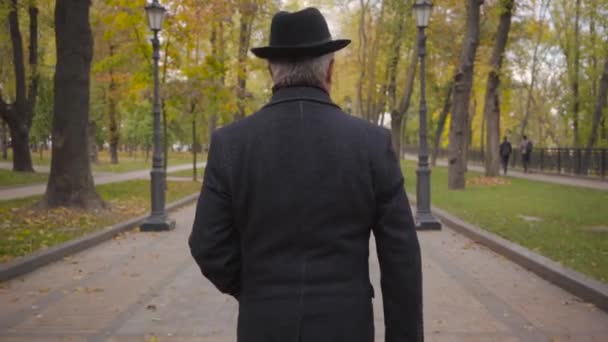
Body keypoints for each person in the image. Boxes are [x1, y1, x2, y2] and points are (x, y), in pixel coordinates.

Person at [189, 8, 423, 342]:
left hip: (263, 324)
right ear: (329, 69)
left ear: (272, 70)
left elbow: (207, 244)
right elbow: (402, 258)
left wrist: (257, 289)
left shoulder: (231, 143)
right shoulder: (371, 143)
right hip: (346, 326)